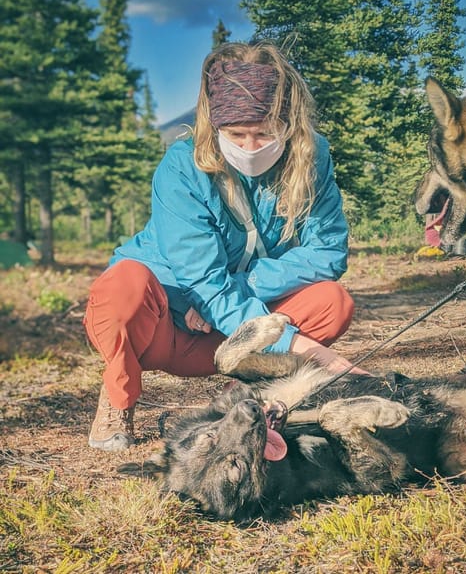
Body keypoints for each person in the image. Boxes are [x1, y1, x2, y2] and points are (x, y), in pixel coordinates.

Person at [84, 40, 366, 452]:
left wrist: (236, 288)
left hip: (227, 337)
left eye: (265, 133)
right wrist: (292, 343)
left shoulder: (313, 157)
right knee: (122, 286)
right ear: (216, 127)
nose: (251, 148)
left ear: (289, 125)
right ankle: (119, 392)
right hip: (168, 327)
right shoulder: (181, 167)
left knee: (330, 301)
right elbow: (200, 275)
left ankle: (245, 395)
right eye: (237, 134)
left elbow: (328, 251)